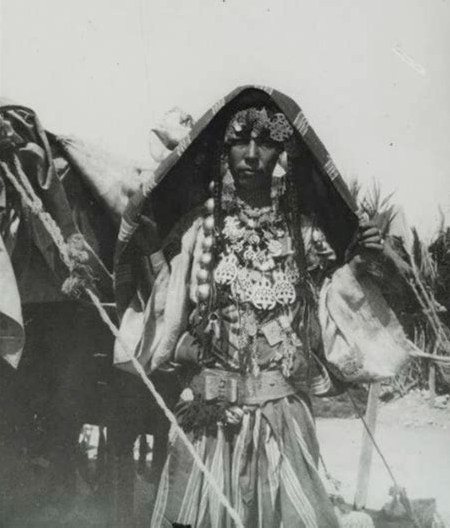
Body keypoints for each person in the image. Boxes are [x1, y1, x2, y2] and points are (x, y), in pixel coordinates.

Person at [113, 85, 406, 528]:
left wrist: (365, 261)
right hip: (210, 418)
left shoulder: (306, 236)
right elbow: (169, 306)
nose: (252, 153)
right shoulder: (199, 228)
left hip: (282, 419)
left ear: (282, 151)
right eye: (240, 141)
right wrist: (153, 248)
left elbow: (333, 312)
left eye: (266, 141)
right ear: (223, 150)